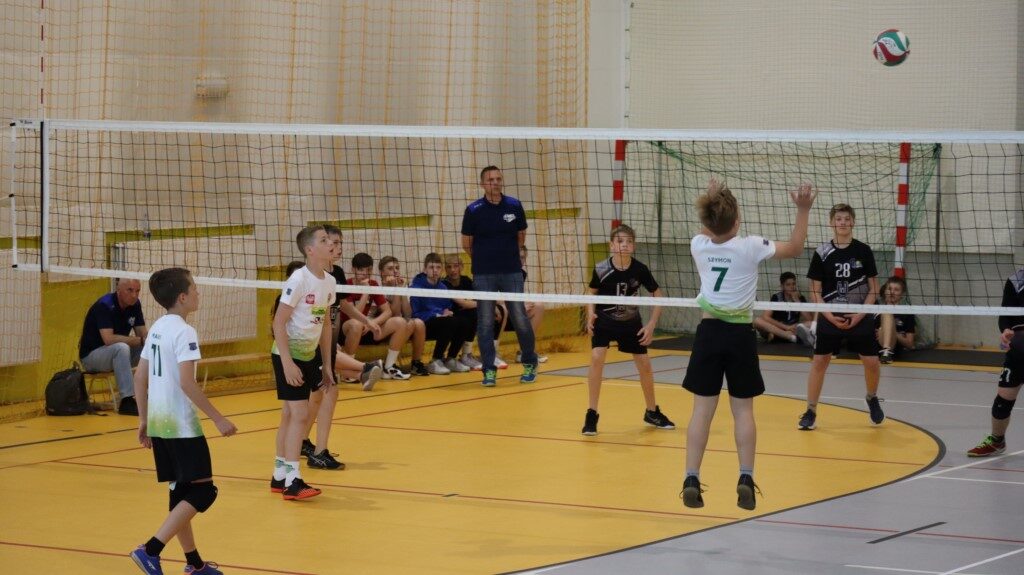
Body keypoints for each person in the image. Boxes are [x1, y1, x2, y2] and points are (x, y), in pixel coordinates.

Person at [681, 179, 815, 511]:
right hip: (740, 335)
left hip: (709, 333)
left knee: (701, 412)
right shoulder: (751, 246)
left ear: (708, 219)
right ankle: (745, 476)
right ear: (738, 221)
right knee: (743, 411)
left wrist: (712, 197)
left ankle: (691, 478)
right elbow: (795, 248)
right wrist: (803, 209)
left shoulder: (699, 245)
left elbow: (711, 226)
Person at [129, 267, 236, 575]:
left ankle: (195, 564)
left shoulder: (158, 327)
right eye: (194, 288)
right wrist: (218, 418)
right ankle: (150, 550)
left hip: (159, 423)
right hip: (181, 425)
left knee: (180, 494)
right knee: (203, 491)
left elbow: (140, 377)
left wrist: (143, 420)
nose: (198, 292)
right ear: (183, 297)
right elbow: (188, 383)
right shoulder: (184, 331)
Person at [299, 229, 382, 470]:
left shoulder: (335, 275)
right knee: (325, 393)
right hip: (310, 345)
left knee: (321, 395)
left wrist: (366, 321)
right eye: (331, 242)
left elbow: (341, 304)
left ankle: (303, 442)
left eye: (338, 243)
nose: (337, 248)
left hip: (326, 344)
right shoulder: (307, 276)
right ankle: (316, 451)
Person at [269, 226, 339, 499]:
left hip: (309, 355)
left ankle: (279, 476)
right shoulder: (298, 279)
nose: (331, 243)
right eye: (324, 240)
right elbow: (278, 322)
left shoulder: (329, 282)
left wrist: (327, 364)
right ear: (310, 250)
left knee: (290, 416)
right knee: (299, 415)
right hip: (287, 355)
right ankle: (293, 481)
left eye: (331, 240)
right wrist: (287, 363)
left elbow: (325, 325)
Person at [798, 203, 883, 431]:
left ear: (853, 222)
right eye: (838, 219)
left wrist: (861, 314)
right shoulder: (822, 252)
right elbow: (815, 290)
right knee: (820, 361)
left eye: (846, 219)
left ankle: (872, 397)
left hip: (859, 313)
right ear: (831, 223)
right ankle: (810, 411)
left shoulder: (863, 251)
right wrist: (828, 315)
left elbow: (874, 288)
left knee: (872, 362)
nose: (843, 222)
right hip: (830, 314)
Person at [582, 224, 673, 435]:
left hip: (631, 322)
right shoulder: (601, 268)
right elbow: (591, 292)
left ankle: (652, 411)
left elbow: (658, 295)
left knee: (644, 364)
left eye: (629, 241)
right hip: (604, 320)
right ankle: (591, 414)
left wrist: (651, 324)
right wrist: (590, 313)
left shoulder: (640, 269)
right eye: (620, 241)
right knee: (596, 357)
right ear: (611, 245)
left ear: (634, 246)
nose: (625, 245)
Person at [461, 165, 539, 387]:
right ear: (482, 184)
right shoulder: (474, 210)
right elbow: (466, 243)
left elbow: (521, 237)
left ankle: (530, 362)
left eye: (498, 179)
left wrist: (506, 257)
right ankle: (488, 370)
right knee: (485, 322)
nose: (495, 183)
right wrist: (486, 259)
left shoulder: (514, 205)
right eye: (490, 180)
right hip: (483, 274)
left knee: (520, 318)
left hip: (511, 271)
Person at [967, 267, 1024, 457]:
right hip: (1018, 351)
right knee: (1002, 402)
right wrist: (1006, 330)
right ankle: (997, 441)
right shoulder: (1016, 280)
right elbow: (1005, 314)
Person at [79, 278, 149, 415]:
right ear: (118, 289)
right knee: (121, 348)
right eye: (130, 290)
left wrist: (153, 341)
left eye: (137, 291)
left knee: (151, 348)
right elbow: (109, 339)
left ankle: (148, 394)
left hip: (117, 355)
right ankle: (127, 401)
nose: (134, 295)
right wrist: (141, 340)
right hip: (92, 357)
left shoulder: (135, 305)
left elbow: (143, 335)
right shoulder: (104, 305)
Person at [340, 252, 413, 380]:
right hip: (349, 329)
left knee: (400, 322)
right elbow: (353, 315)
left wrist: (372, 323)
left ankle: (389, 367)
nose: (365, 273)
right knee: (356, 324)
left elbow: (388, 312)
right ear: (353, 270)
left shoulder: (373, 284)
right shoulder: (347, 285)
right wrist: (366, 292)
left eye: (368, 270)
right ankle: (349, 369)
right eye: (361, 270)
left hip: (368, 328)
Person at [410, 252, 474, 374]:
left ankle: (451, 359)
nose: (435, 270)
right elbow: (415, 314)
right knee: (448, 322)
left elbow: (447, 308)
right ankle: (436, 360)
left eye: (438, 267)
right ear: (425, 269)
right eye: (431, 267)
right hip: (422, 325)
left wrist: (446, 312)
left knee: (464, 322)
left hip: (440, 322)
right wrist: (437, 314)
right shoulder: (417, 286)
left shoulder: (443, 287)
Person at [496, 245, 548, 364]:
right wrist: (517, 306)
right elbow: (494, 298)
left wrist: (519, 305)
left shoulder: (521, 274)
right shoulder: (499, 272)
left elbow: (514, 296)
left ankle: (526, 352)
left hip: (513, 313)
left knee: (538, 306)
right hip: (497, 313)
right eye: (517, 257)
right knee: (504, 308)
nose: (520, 260)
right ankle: (493, 354)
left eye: (523, 257)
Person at [379, 255, 429, 376]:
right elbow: (395, 314)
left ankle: (416, 363)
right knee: (408, 323)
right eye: (390, 268)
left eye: (397, 268)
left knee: (419, 323)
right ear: (382, 272)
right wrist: (396, 290)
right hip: (385, 327)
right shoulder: (379, 289)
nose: (395, 271)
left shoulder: (401, 285)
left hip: (400, 325)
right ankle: (389, 365)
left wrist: (401, 290)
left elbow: (407, 314)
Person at [442, 254, 484, 370]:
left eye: (455, 266)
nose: (452, 270)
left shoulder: (466, 280)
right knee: (472, 314)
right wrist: (486, 305)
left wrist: (491, 306)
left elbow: (478, 298)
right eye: (449, 267)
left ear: (461, 267)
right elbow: (464, 303)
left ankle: (467, 355)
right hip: (450, 315)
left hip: (465, 314)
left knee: (479, 313)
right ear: (445, 269)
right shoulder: (445, 284)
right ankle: (458, 356)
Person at [753, 271, 814, 348]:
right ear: (782, 286)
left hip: (793, 329)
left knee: (812, 323)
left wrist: (797, 301)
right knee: (757, 321)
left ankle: (780, 336)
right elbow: (765, 317)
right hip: (778, 328)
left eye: (793, 284)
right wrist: (786, 327)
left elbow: (810, 318)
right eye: (788, 285)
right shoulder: (777, 297)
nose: (792, 287)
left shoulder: (800, 298)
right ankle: (790, 337)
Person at [875, 275, 916, 363]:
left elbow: (910, 344)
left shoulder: (907, 313)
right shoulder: (874, 309)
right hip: (875, 349)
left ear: (902, 294)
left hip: (895, 349)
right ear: (885, 291)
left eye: (896, 290)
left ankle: (886, 351)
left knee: (887, 312)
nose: (892, 292)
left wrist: (893, 332)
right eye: (889, 289)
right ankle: (885, 353)